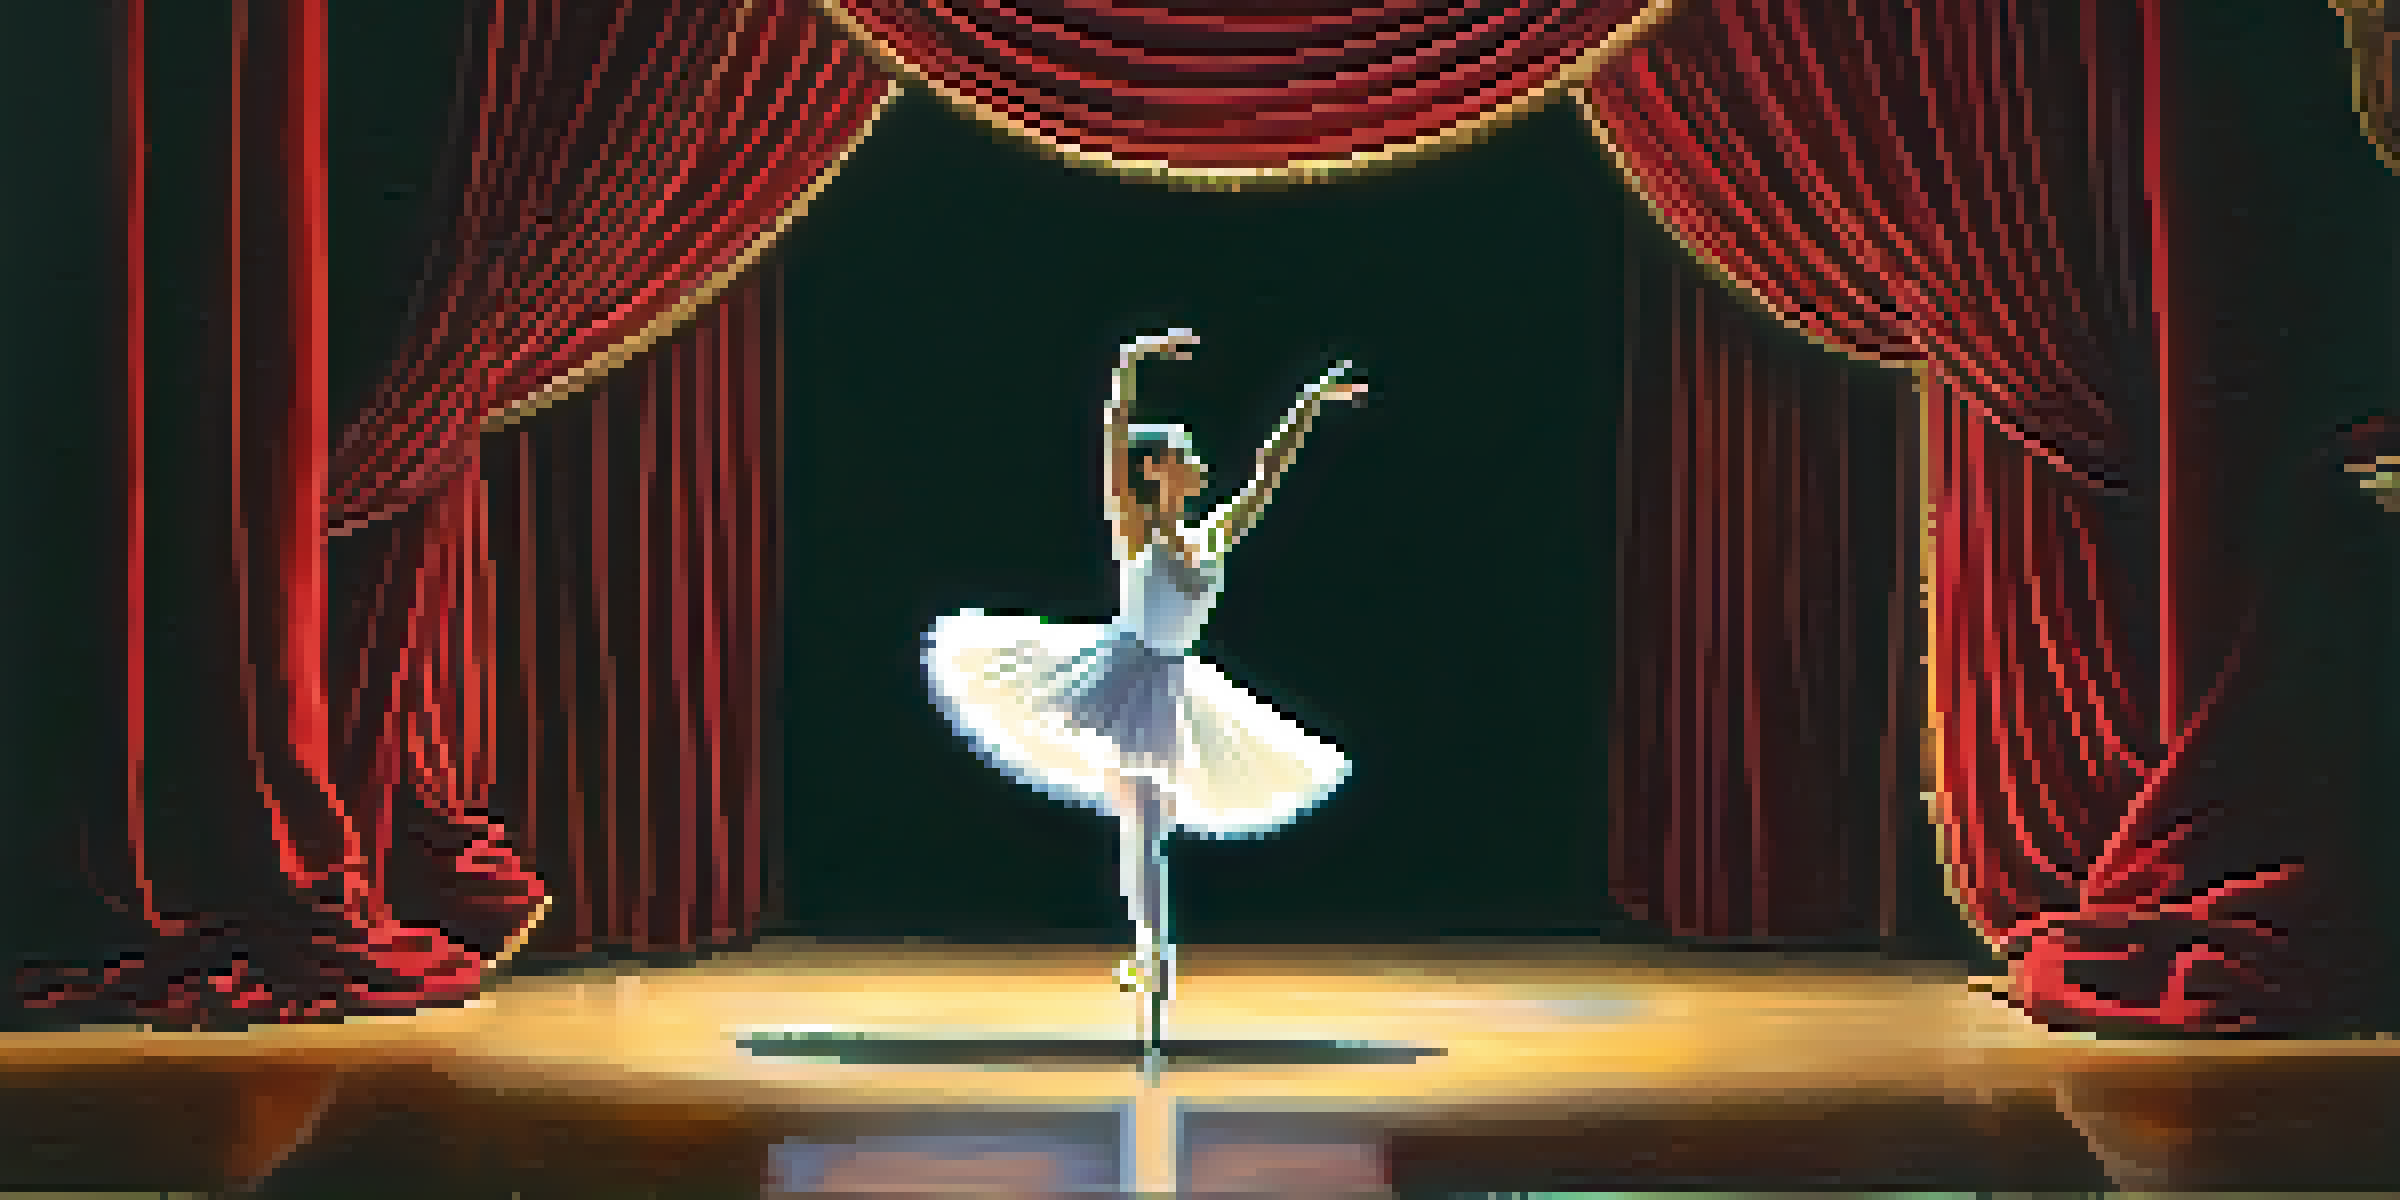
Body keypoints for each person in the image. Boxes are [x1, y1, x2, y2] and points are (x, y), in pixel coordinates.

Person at [920, 329, 1364, 1036]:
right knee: (1145, 821)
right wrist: (1130, 365)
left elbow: (1267, 476)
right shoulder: (1138, 530)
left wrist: (1308, 405)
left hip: (1172, 685)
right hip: (1121, 674)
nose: (1199, 467)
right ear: (1158, 470)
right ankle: (1153, 956)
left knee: (1146, 825)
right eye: (1184, 459)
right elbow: (1112, 446)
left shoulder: (1212, 535)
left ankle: (1149, 956)